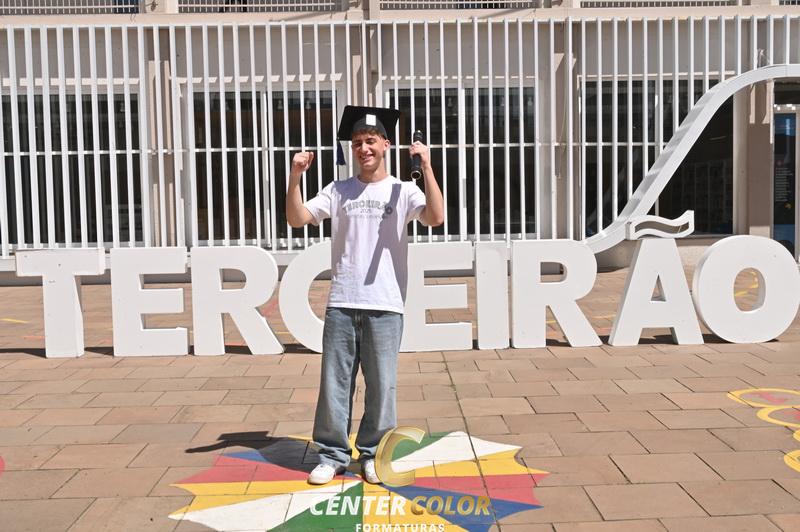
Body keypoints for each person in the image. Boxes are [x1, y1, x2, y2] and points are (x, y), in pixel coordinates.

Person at [285, 105, 444, 485]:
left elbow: (436, 217)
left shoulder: (404, 190)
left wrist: (427, 165)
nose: (363, 148)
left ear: (386, 144)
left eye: (370, 141)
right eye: (357, 142)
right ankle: (332, 455)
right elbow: (297, 218)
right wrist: (295, 176)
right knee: (334, 385)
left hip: (385, 304)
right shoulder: (338, 190)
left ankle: (374, 454)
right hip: (342, 301)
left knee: (382, 387)